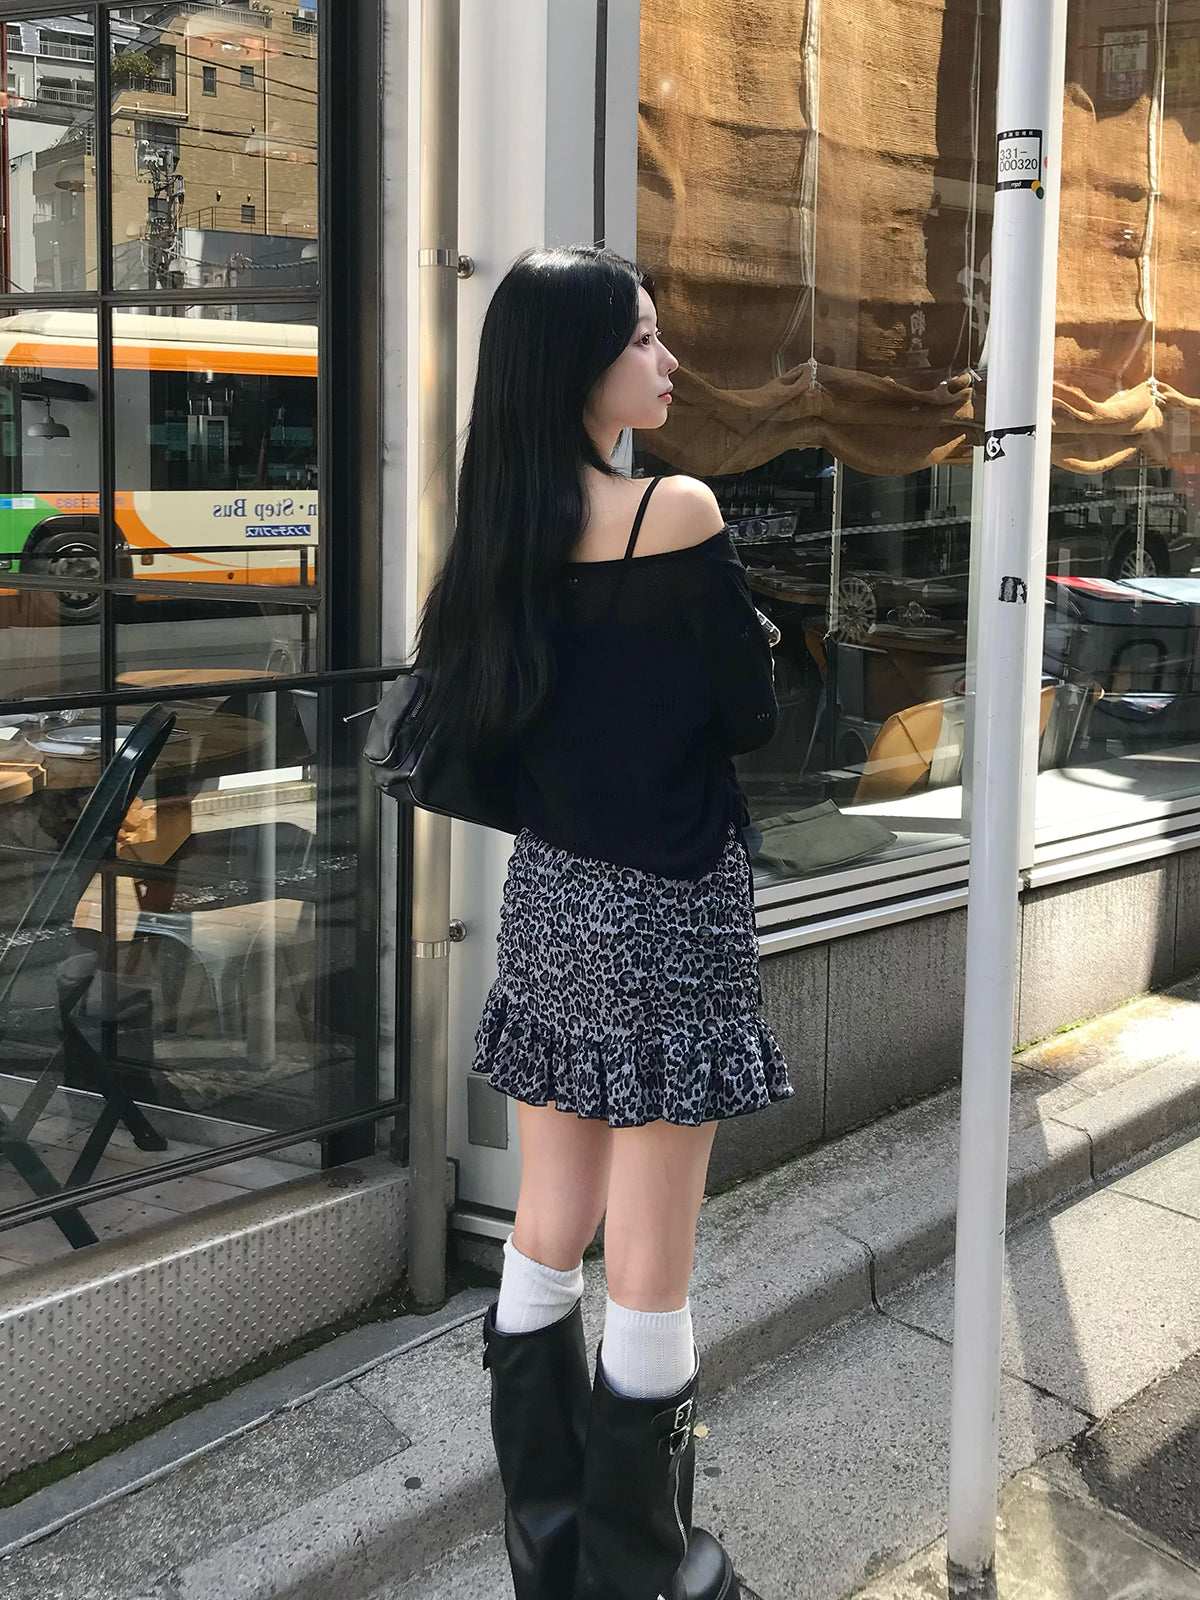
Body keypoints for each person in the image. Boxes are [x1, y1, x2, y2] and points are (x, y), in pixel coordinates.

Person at [414, 245, 793, 1600]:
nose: (667, 359)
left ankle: (551, 1549)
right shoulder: (674, 512)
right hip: (671, 907)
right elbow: (750, 715)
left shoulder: (497, 536)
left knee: (549, 1218)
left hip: (554, 903)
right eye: (641, 337)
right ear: (578, 363)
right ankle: (639, 1568)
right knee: (652, 1249)